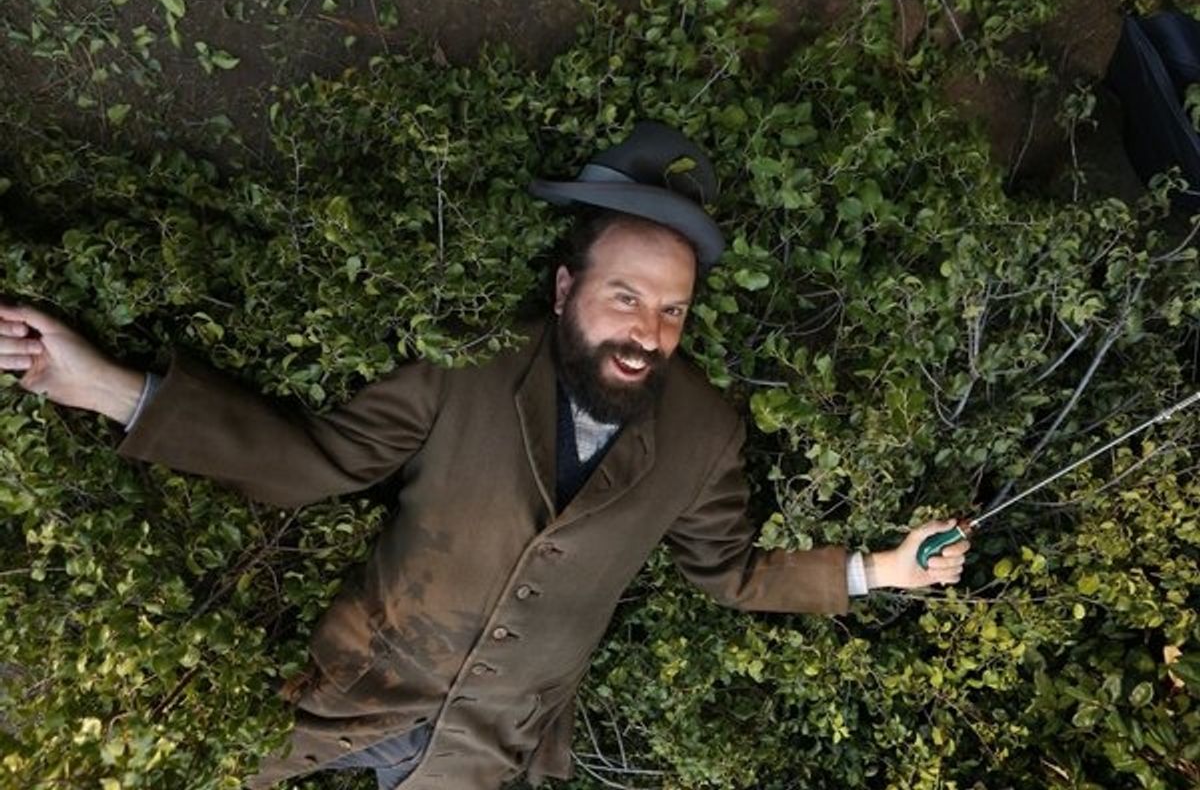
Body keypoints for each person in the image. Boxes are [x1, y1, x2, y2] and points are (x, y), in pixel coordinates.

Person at [0, 122, 969, 790]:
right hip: (352, 693)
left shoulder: (705, 430)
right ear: (562, 288)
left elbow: (728, 572)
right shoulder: (461, 370)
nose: (649, 331)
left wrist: (880, 569)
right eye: (625, 296)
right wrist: (105, 384)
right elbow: (312, 464)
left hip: (491, 745)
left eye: (673, 310)